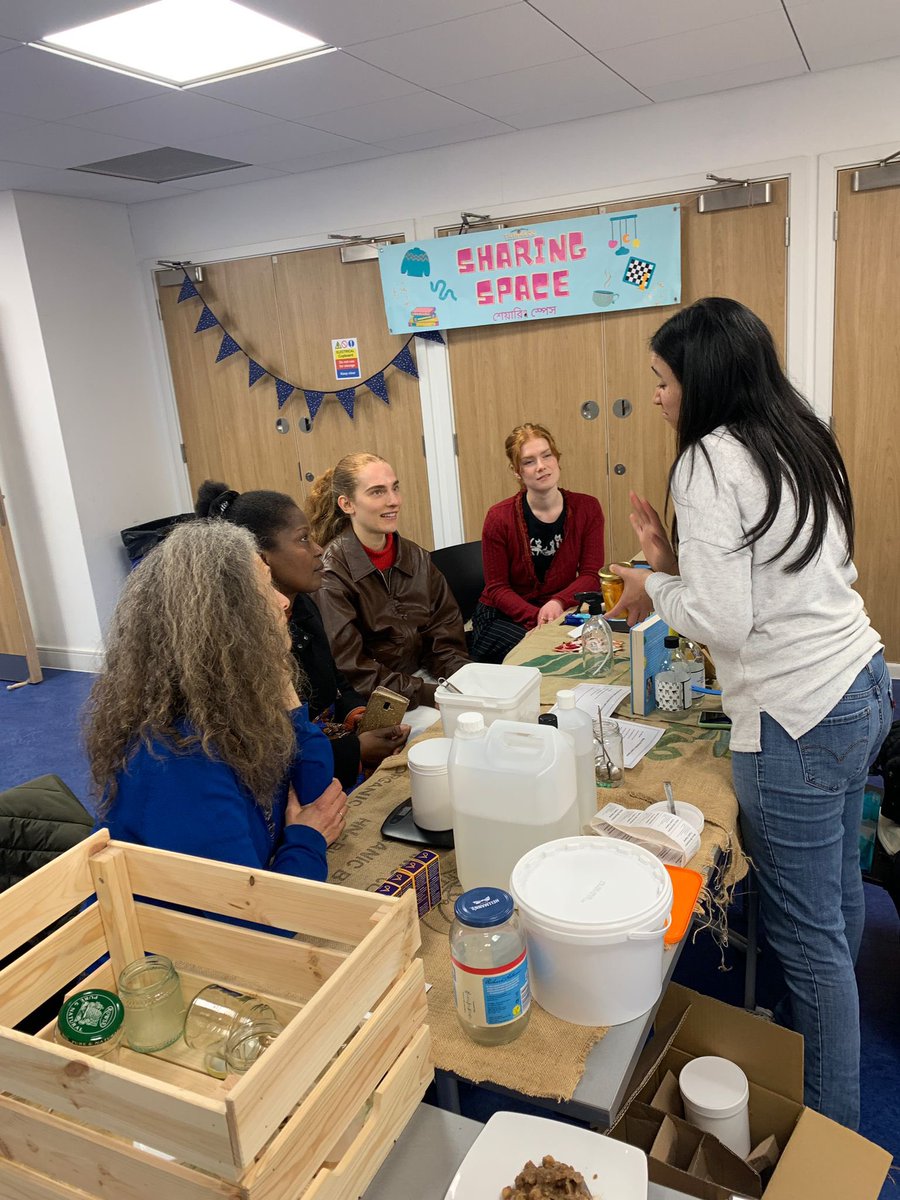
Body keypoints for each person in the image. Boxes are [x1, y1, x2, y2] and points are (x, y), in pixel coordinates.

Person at [607, 297, 891, 1129]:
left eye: (663, 380)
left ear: (700, 379)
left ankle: (830, 1138)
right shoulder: (796, 434)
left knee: (807, 944)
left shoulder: (704, 460)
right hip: (861, 683)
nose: (657, 395)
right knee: (837, 901)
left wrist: (650, 585)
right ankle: (826, 1053)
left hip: (796, 716)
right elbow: (773, 573)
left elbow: (724, 620)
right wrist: (675, 561)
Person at [87, 520, 348, 887]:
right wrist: (306, 841)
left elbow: (317, 797)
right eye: (265, 590)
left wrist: (284, 689)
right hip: (174, 943)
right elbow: (250, 926)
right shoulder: (181, 758)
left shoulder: (237, 706)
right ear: (227, 624)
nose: (283, 600)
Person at [194, 481, 410, 789]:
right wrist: (356, 749)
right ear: (260, 559)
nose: (318, 548)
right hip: (302, 779)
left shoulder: (305, 603)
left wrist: (359, 717)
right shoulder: (239, 644)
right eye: (303, 540)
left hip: (332, 749)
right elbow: (277, 752)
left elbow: (337, 682)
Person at [307, 453, 469, 715]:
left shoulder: (417, 558)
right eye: (377, 492)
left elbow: (445, 636)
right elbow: (353, 670)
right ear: (347, 504)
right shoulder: (331, 573)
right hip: (377, 700)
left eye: (394, 488)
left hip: (428, 683)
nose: (393, 500)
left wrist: (461, 682)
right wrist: (429, 695)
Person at [471, 423, 605, 663]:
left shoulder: (588, 508)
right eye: (529, 461)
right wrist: (539, 618)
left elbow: (591, 575)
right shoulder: (498, 517)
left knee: (594, 648)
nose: (541, 466)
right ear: (516, 471)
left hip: (557, 611)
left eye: (546, 456)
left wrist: (557, 602)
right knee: (550, 654)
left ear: (557, 458)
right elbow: (497, 588)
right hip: (501, 617)